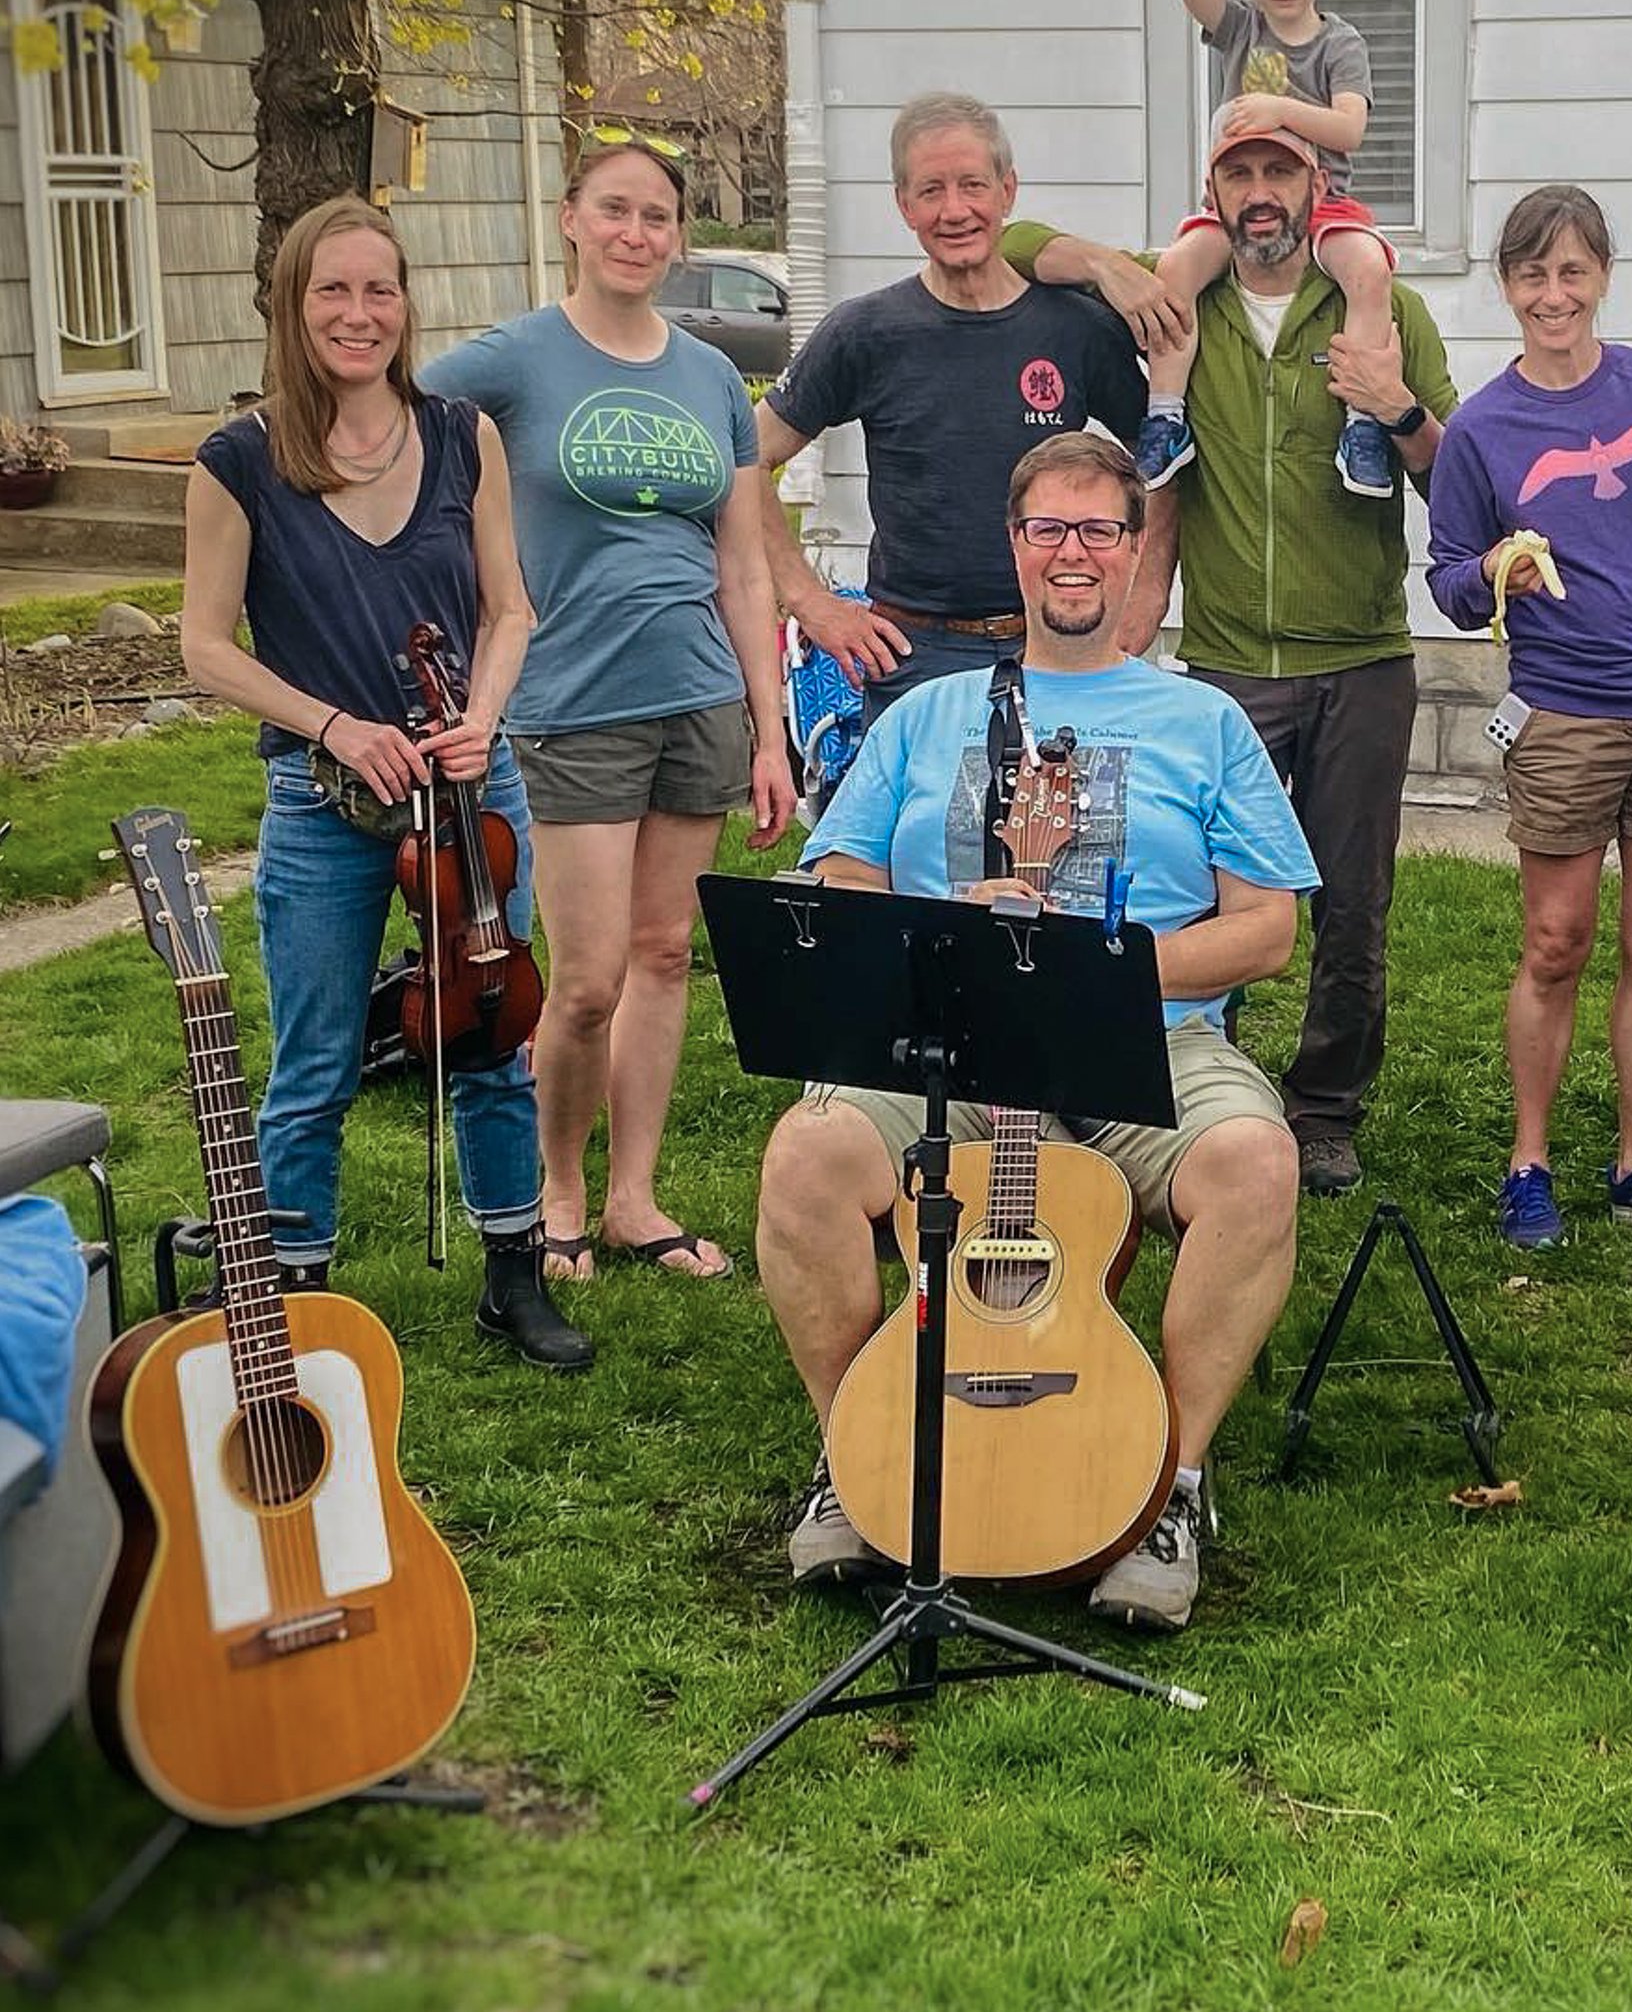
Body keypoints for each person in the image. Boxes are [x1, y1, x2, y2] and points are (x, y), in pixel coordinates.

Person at [754, 432, 1318, 1634]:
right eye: (1050, 529)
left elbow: (1266, 928)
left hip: (1145, 1040)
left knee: (1256, 1163)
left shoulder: (1202, 720)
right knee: (804, 1158)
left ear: (1133, 549)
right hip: (942, 1041)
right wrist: (941, 930)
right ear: (1014, 547)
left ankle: (1170, 1484)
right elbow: (841, 871)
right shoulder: (927, 713)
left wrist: (1100, 971)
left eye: (1099, 530)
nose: (1073, 553)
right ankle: (858, 1460)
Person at [998, 122, 1458, 1200]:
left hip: (1361, 654)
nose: (1261, 193)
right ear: (1213, 191)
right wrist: (1113, 265)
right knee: (1213, 894)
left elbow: (1454, 474)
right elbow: (1016, 239)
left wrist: (1393, 405)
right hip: (1225, 662)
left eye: (1279, 172)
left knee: (1353, 900)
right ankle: (1215, 1082)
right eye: (1239, 174)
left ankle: (1326, 1108)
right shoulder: (1176, 304)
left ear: (1315, 186)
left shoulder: (1383, 309)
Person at [180, 197, 590, 1371]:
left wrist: (480, 716)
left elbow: (509, 608)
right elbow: (205, 644)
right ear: (293, 307)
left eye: (379, 291)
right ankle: (294, 1284)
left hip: (469, 793)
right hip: (325, 800)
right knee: (312, 1056)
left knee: (492, 1027)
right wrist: (334, 725)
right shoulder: (238, 462)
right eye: (333, 292)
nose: (359, 314)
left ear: (405, 307)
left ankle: (512, 1276)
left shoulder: (463, 435)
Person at [427, 131, 795, 1285]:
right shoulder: (513, 362)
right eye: (616, 211)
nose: (638, 233)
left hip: (699, 697)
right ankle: (561, 1192)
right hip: (571, 703)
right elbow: (390, 424)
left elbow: (743, 566)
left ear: (678, 238)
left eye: (657, 217)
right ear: (571, 219)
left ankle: (636, 1197)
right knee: (583, 982)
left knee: (666, 951)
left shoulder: (706, 377)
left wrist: (769, 724)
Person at [1423, 186, 1632, 1252]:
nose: (1552, 293)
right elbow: (1446, 576)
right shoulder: (1482, 427)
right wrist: (1490, 568)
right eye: (1531, 274)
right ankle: (1528, 1161)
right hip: (1564, 714)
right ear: (1507, 285)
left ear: (1604, 275)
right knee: (1555, 939)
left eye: (1572, 271)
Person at [751, 94, 1147, 713]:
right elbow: (746, 459)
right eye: (931, 191)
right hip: (915, 658)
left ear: (1008, 192)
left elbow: (1166, 465)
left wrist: (1140, 596)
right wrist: (810, 601)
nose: (954, 210)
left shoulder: (1076, 330)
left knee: (1064, 814)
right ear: (903, 204)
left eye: (973, 186)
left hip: (1058, 646)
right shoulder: (865, 333)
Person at [1140, 0, 1400, 495]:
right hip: (1236, 205)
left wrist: (1280, 107)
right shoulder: (1241, 27)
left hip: (1325, 206)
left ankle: (1361, 422)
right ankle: (1165, 419)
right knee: (1174, 268)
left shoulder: (1340, 44)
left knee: (1368, 269)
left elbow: (1350, 129)